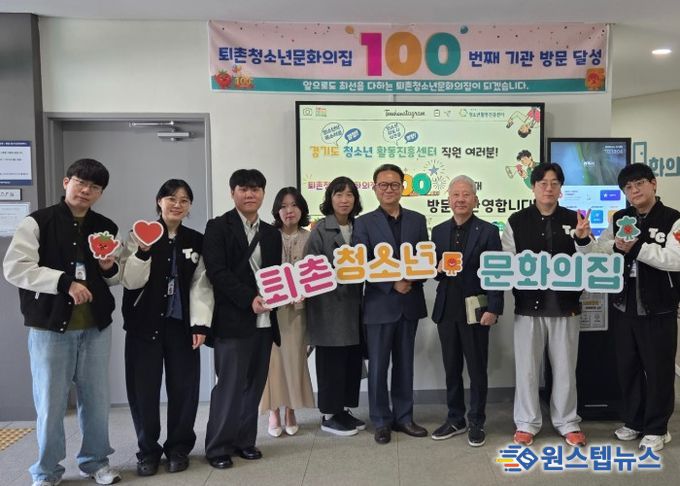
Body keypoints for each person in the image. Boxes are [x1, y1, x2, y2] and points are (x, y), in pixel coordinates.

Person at [3, 158, 121, 486]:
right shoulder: (37, 222)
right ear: (66, 182)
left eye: (94, 187)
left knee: (96, 401)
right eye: (80, 183)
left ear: (100, 193)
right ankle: (46, 471)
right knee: (50, 404)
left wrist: (110, 267)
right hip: (50, 327)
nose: (86, 191)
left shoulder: (106, 226)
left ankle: (96, 462)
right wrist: (63, 282)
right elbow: (15, 268)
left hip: (95, 327)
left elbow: (113, 278)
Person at [575, 163, 679, 451]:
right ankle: (633, 421)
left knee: (658, 371)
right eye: (628, 187)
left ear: (653, 184)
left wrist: (637, 248)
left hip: (659, 307)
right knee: (628, 367)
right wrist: (584, 239)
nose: (634, 191)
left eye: (639, 184)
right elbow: (601, 250)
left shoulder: (673, 219)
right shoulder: (621, 218)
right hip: (623, 305)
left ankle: (657, 428)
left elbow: (676, 259)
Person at [119, 179, 213, 476]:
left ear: (190, 206)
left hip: (180, 327)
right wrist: (143, 252)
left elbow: (201, 284)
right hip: (143, 326)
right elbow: (129, 281)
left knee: (184, 389)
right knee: (143, 391)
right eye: (171, 198)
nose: (177, 204)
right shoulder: (138, 235)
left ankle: (178, 448)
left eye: (184, 200)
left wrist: (200, 324)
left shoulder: (196, 240)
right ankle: (147, 451)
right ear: (159, 201)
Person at [501, 162, 590, 448]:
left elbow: (590, 258)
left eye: (554, 183)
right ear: (533, 187)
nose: (548, 188)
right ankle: (526, 423)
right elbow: (507, 260)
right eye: (543, 183)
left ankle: (568, 422)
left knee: (565, 368)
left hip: (566, 306)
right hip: (528, 306)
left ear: (561, 188)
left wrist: (583, 239)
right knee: (527, 368)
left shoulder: (575, 218)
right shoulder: (517, 220)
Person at [202, 169, 282, 469]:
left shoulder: (271, 232)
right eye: (244, 189)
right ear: (232, 192)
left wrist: (286, 293)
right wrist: (248, 299)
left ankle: (244, 441)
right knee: (230, 386)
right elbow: (217, 272)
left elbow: (275, 274)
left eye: (256, 189)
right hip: (234, 319)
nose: (250, 194)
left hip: (265, 321)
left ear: (263, 193)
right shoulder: (218, 227)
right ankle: (218, 447)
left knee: (254, 385)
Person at [352, 163, 429, 445]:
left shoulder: (417, 220)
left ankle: (404, 417)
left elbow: (425, 258)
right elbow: (361, 264)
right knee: (379, 367)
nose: (389, 189)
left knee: (405, 365)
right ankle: (381, 421)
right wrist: (391, 283)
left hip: (409, 302)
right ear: (374, 189)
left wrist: (412, 279)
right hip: (379, 304)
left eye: (394, 184)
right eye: (383, 185)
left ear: (402, 188)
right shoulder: (363, 223)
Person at [430, 175, 504, 447]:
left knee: (477, 370)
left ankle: (476, 421)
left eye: (466, 194)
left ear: (475, 199)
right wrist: (436, 269)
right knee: (451, 369)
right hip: (446, 310)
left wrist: (494, 308)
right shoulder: (438, 231)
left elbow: (496, 272)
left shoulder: (488, 231)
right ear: (448, 199)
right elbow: (434, 271)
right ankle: (455, 418)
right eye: (455, 195)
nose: (460, 199)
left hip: (476, 310)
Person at [305, 176, 365, 436]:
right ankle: (330, 414)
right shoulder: (320, 229)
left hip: (355, 305)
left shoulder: (359, 227)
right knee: (331, 361)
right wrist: (336, 273)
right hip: (329, 306)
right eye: (338, 194)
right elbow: (309, 267)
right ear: (330, 198)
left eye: (349, 194)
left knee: (350, 360)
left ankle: (343, 410)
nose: (344, 200)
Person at [260, 187, 315, 437]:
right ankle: (273, 412)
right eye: (283, 206)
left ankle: (291, 410)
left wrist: (307, 290)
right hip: (272, 311)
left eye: (294, 205)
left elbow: (318, 272)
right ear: (277, 211)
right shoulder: (267, 236)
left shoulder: (311, 237)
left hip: (299, 311)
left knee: (295, 361)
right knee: (273, 364)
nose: (289, 210)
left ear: (301, 208)